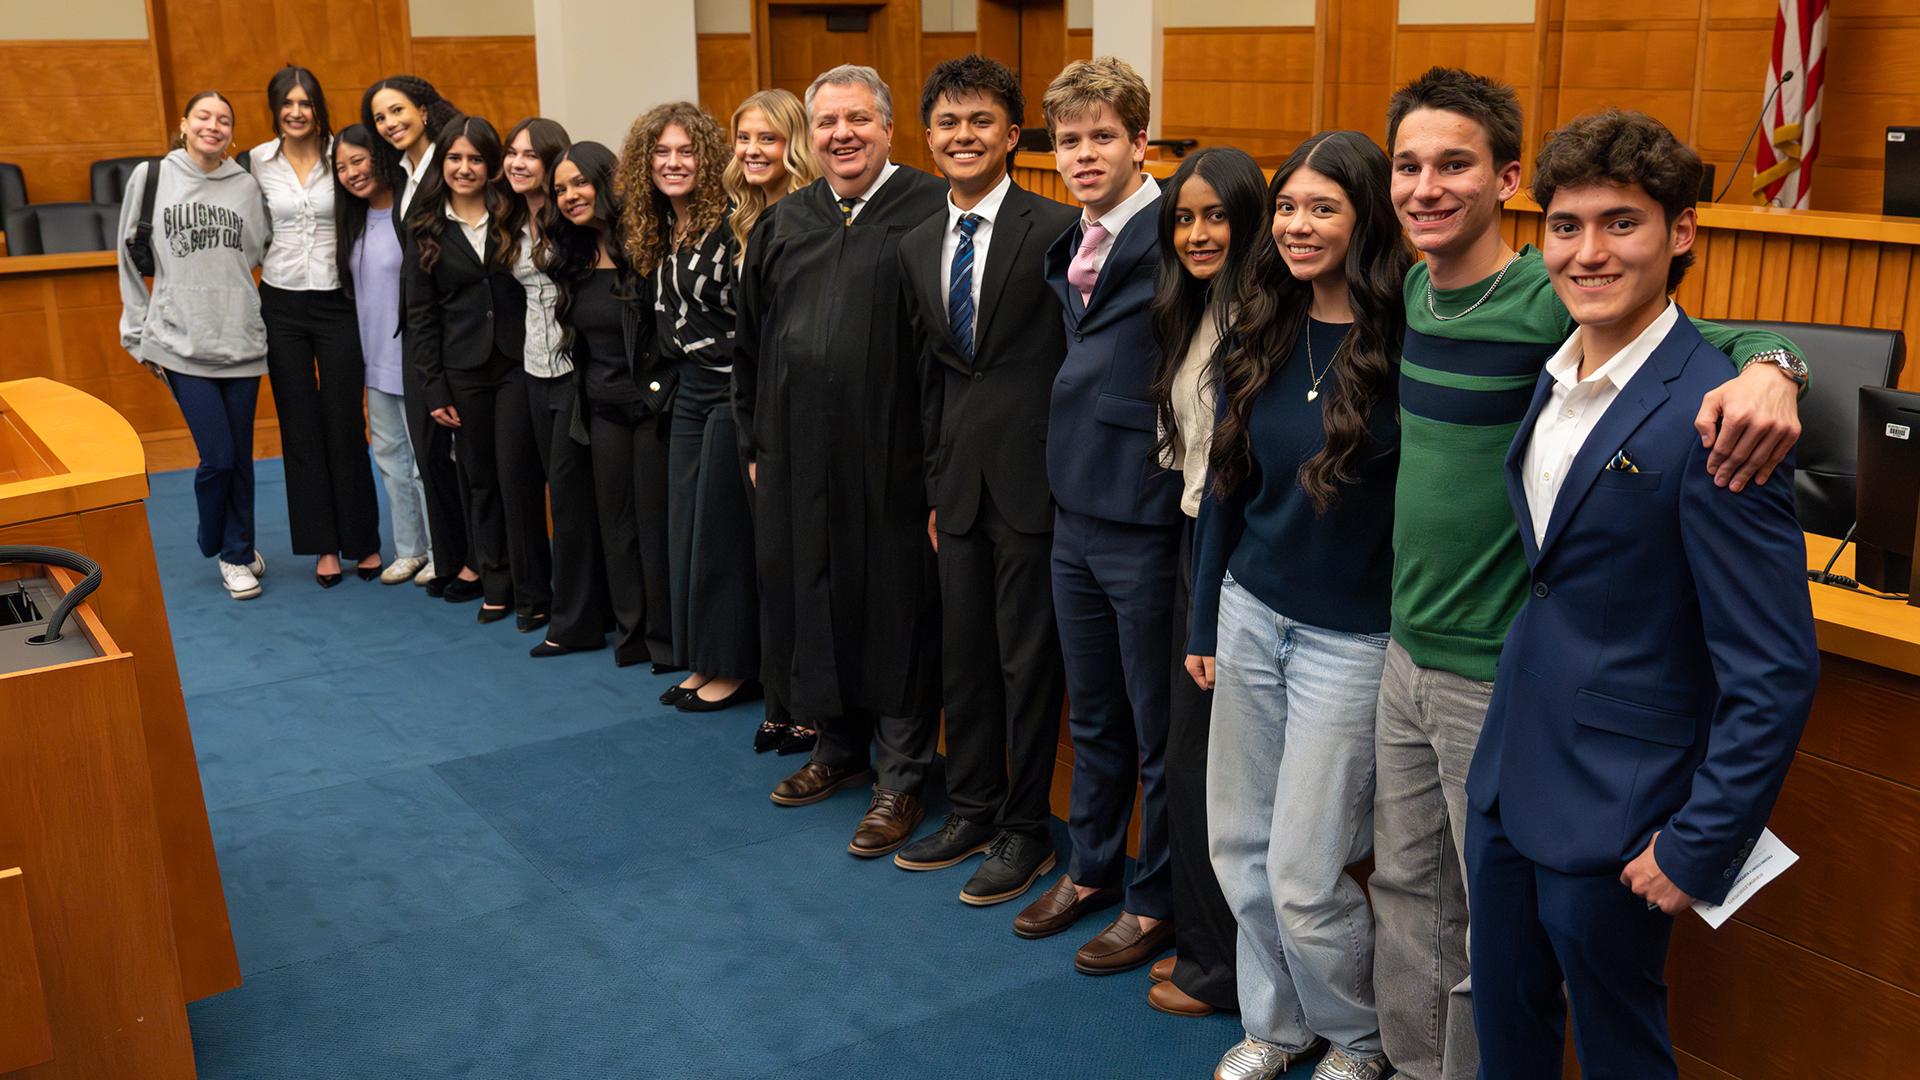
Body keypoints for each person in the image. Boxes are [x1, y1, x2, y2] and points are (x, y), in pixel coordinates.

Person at [1369, 67, 1809, 1080]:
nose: (1589, 252)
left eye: (1622, 225)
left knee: (1617, 1045)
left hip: (1624, 804)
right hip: (1511, 774)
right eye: (1566, 228)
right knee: (1511, 1029)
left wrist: (1701, 839)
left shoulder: (1720, 416)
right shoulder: (1558, 372)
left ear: (1680, 235)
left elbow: (1773, 668)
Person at [1185, 132, 1409, 1080]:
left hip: (1351, 644)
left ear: (1365, 218)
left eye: (1323, 207)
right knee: (1238, 848)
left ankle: (1357, 1038)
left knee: (1309, 876)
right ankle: (1276, 1026)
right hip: (1247, 612)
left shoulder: (1410, 335)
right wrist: (1203, 619)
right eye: (1286, 208)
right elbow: (1227, 486)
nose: (1297, 225)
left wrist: (1773, 356)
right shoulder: (1260, 324)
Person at [734, 64, 947, 858]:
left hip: (891, 460)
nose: (842, 135)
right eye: (827, 123)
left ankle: (900, 776)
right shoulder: (785, 221)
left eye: (858, 120)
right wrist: (754, 442)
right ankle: (836, 747)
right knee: (813, 596)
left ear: (889, 129)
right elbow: (750, 346)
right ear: (809, 135)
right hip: (797, 457)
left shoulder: (928, 212)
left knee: (892, 610)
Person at [892, 55, 1075, 906]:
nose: (963, 137)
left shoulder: (1058, 231)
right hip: (956, 487)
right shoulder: (918, 240)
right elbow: (936, 373)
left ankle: (1026, 828)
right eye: (948, 123)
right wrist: (934, 484)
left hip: (1037, 485)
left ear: (1011, 135)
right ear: (927, 137)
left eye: (981, 123)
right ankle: (969, 807)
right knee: (961, 656)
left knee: (1026, 663)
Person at [1010, 56, 1174, 978]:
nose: (1082, 154)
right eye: (1068, 141)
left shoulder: (1175, 231)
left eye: (1101, 137)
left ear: (1139, 141)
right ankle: (1093, 869)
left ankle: (1154, 900)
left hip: (1144, 513)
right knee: (1097, 716)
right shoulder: (1071, 239)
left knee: (1155, 727)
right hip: (1073, 505)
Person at [1140, 146, 1263, 1020]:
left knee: (1213, 771)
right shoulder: (1194, 309)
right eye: (1184, 217)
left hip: (1243, 563)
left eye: (1216, 214)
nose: (1197, 232)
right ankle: (1205, 950)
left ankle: (1223, 971)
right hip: (1193, 545)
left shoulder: (1266, 319)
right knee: (1190, 767)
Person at [618, 103, 760, 710]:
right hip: (685, 389)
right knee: (686, 529)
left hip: (729, 387)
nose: (672, 163)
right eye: (660, 152)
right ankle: (700, 658)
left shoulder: (730, 225)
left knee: (720, 533)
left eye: (685, 151)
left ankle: (731, 666)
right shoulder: (660, 226)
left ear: (708, 159)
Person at [118, 90, 271, 600]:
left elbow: (256, 252)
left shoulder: (246, 186)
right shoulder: (152, 177)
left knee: (241, 457)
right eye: (203, 116)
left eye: (224, 119)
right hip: (180, 341)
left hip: (241, 341)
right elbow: (127, 255)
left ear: (233, 131)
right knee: (218, 456)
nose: (213, 125)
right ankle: (221, 544)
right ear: (184, 124)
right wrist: (137, 332)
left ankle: (239, 548)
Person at [403, 113, 551, 627]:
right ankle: (496, 579)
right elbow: (420, 315)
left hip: (515, 362)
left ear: (491, 165)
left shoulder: (510, 212)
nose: (464, 168)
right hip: (460, 369)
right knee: (479, 478)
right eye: (454, 158)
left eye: (475, 159)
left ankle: (534, 589)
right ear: (441, 164)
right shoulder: (423, 225)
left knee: (517, 475)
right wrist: (432, 385)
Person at [544, 140, 675, 672]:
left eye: (579, 183)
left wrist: (657, 397)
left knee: (653, 526)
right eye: (560, 190)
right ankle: (632, 635)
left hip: (650, 411)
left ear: (605, 181)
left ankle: (667, 641)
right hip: (599, 412)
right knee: (615, 528)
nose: (570, 196)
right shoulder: (572, 259)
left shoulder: (645, 249)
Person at [249, 66, 381, 588]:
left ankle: (363, 540)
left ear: (318, 106)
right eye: (287, 103)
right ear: (275, 108)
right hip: (280, 302)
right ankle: (323, 546)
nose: (297, 112)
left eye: (305, 102)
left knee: (345, 421)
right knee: (299, 424)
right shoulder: (256, 161)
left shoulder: (340, 154)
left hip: (338, 301)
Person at [722, 86, 820, 755]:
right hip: (754, 409)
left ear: (796, 144)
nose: (753, 150)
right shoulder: (744, 215)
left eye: (768, 138)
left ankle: (808, 706)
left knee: (802, 569)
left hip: (800, 417)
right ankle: (782, 699)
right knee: (772, 568)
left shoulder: (808, 216)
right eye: (745, 138)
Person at [504, 116, 611, 659]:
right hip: (532, 369)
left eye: (529, 154)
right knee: (551, 490)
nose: (517, 162)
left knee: (571, 501)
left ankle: (575, 623)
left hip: (573, 371)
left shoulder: (568, 221)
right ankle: (569, 606)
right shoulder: (514, 219)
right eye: (512, 152)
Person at [362, 74, 470, 596]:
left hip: (457, 327)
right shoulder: (404, 172)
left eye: (397, 111)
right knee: (427, 450)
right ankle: (447, 557)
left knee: (453, 455)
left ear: (424, 109)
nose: (390, 123)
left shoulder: (451, 160)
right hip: (423, 327)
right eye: (380, 117)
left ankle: (465, 560)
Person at [334, 124, 432, 586]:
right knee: (391, 462)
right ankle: (410, 549)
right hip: (373, 362)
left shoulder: (412, 211)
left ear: (379, 156)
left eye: (359, 160)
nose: (352, 173)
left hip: (413, 361)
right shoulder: (350, 221)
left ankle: (439, 549)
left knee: (426, 463)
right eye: (341, 167)